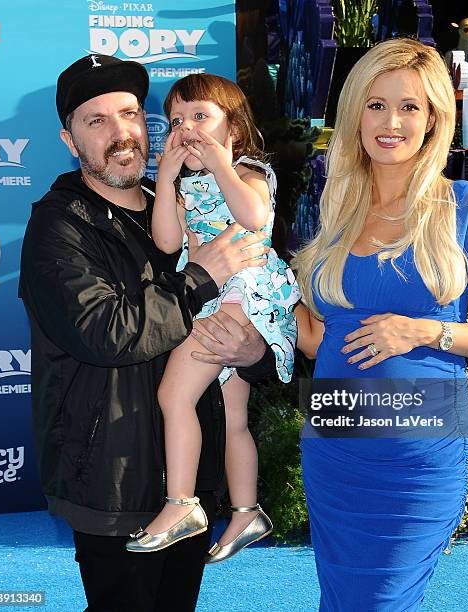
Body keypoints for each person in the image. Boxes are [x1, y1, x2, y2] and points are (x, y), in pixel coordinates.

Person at [19, 54, 276, 612]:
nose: (120, 133)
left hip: (194, 483)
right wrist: (201, 278)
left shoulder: (189, 205)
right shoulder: (58, 224)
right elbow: (106, 332)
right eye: (97, 121)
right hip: (112, 481)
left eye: (130, 114)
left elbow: (255, 319)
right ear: (70, 140)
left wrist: (253, 351)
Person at [292, 38, 468, 611]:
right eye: (375, 104)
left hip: (418, 451)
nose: (390, 122)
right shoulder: (336, 206)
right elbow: (320, 336)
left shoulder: (463, 205)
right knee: (342, 601)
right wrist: (267, 300)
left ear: (433, 118)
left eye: (409, 107)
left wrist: (424, 331)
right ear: (354, 114)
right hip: (335, 446)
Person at [125, 74, 300, 560]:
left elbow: (253, 218)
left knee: (172, 395)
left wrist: (222, 163)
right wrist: (164, 179)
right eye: (178, 120)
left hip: (240, 303)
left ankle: (182, 504)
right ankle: (247, 512)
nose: (188, 129)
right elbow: (165, 242)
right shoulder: (184, 188)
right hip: (210, 302)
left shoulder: (248, 174)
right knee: (233, 420)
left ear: (235, 131)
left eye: (201, 117)